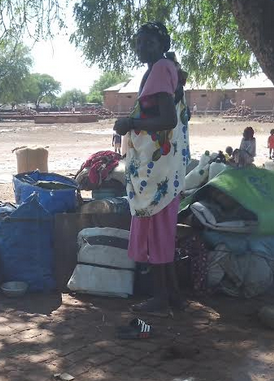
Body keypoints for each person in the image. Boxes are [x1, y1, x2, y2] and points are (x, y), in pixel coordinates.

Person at [113, 21, 190, 317]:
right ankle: (173, 296)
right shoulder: (167, 69)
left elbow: (168, 119)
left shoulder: (159, 69)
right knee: (164, 231)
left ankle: (160, 299)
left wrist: (130, 124)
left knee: (156, 232)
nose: (140, 47)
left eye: (147, 43)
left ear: (161, 45)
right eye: (138, 42)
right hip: (166, 167)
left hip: (157, 171)